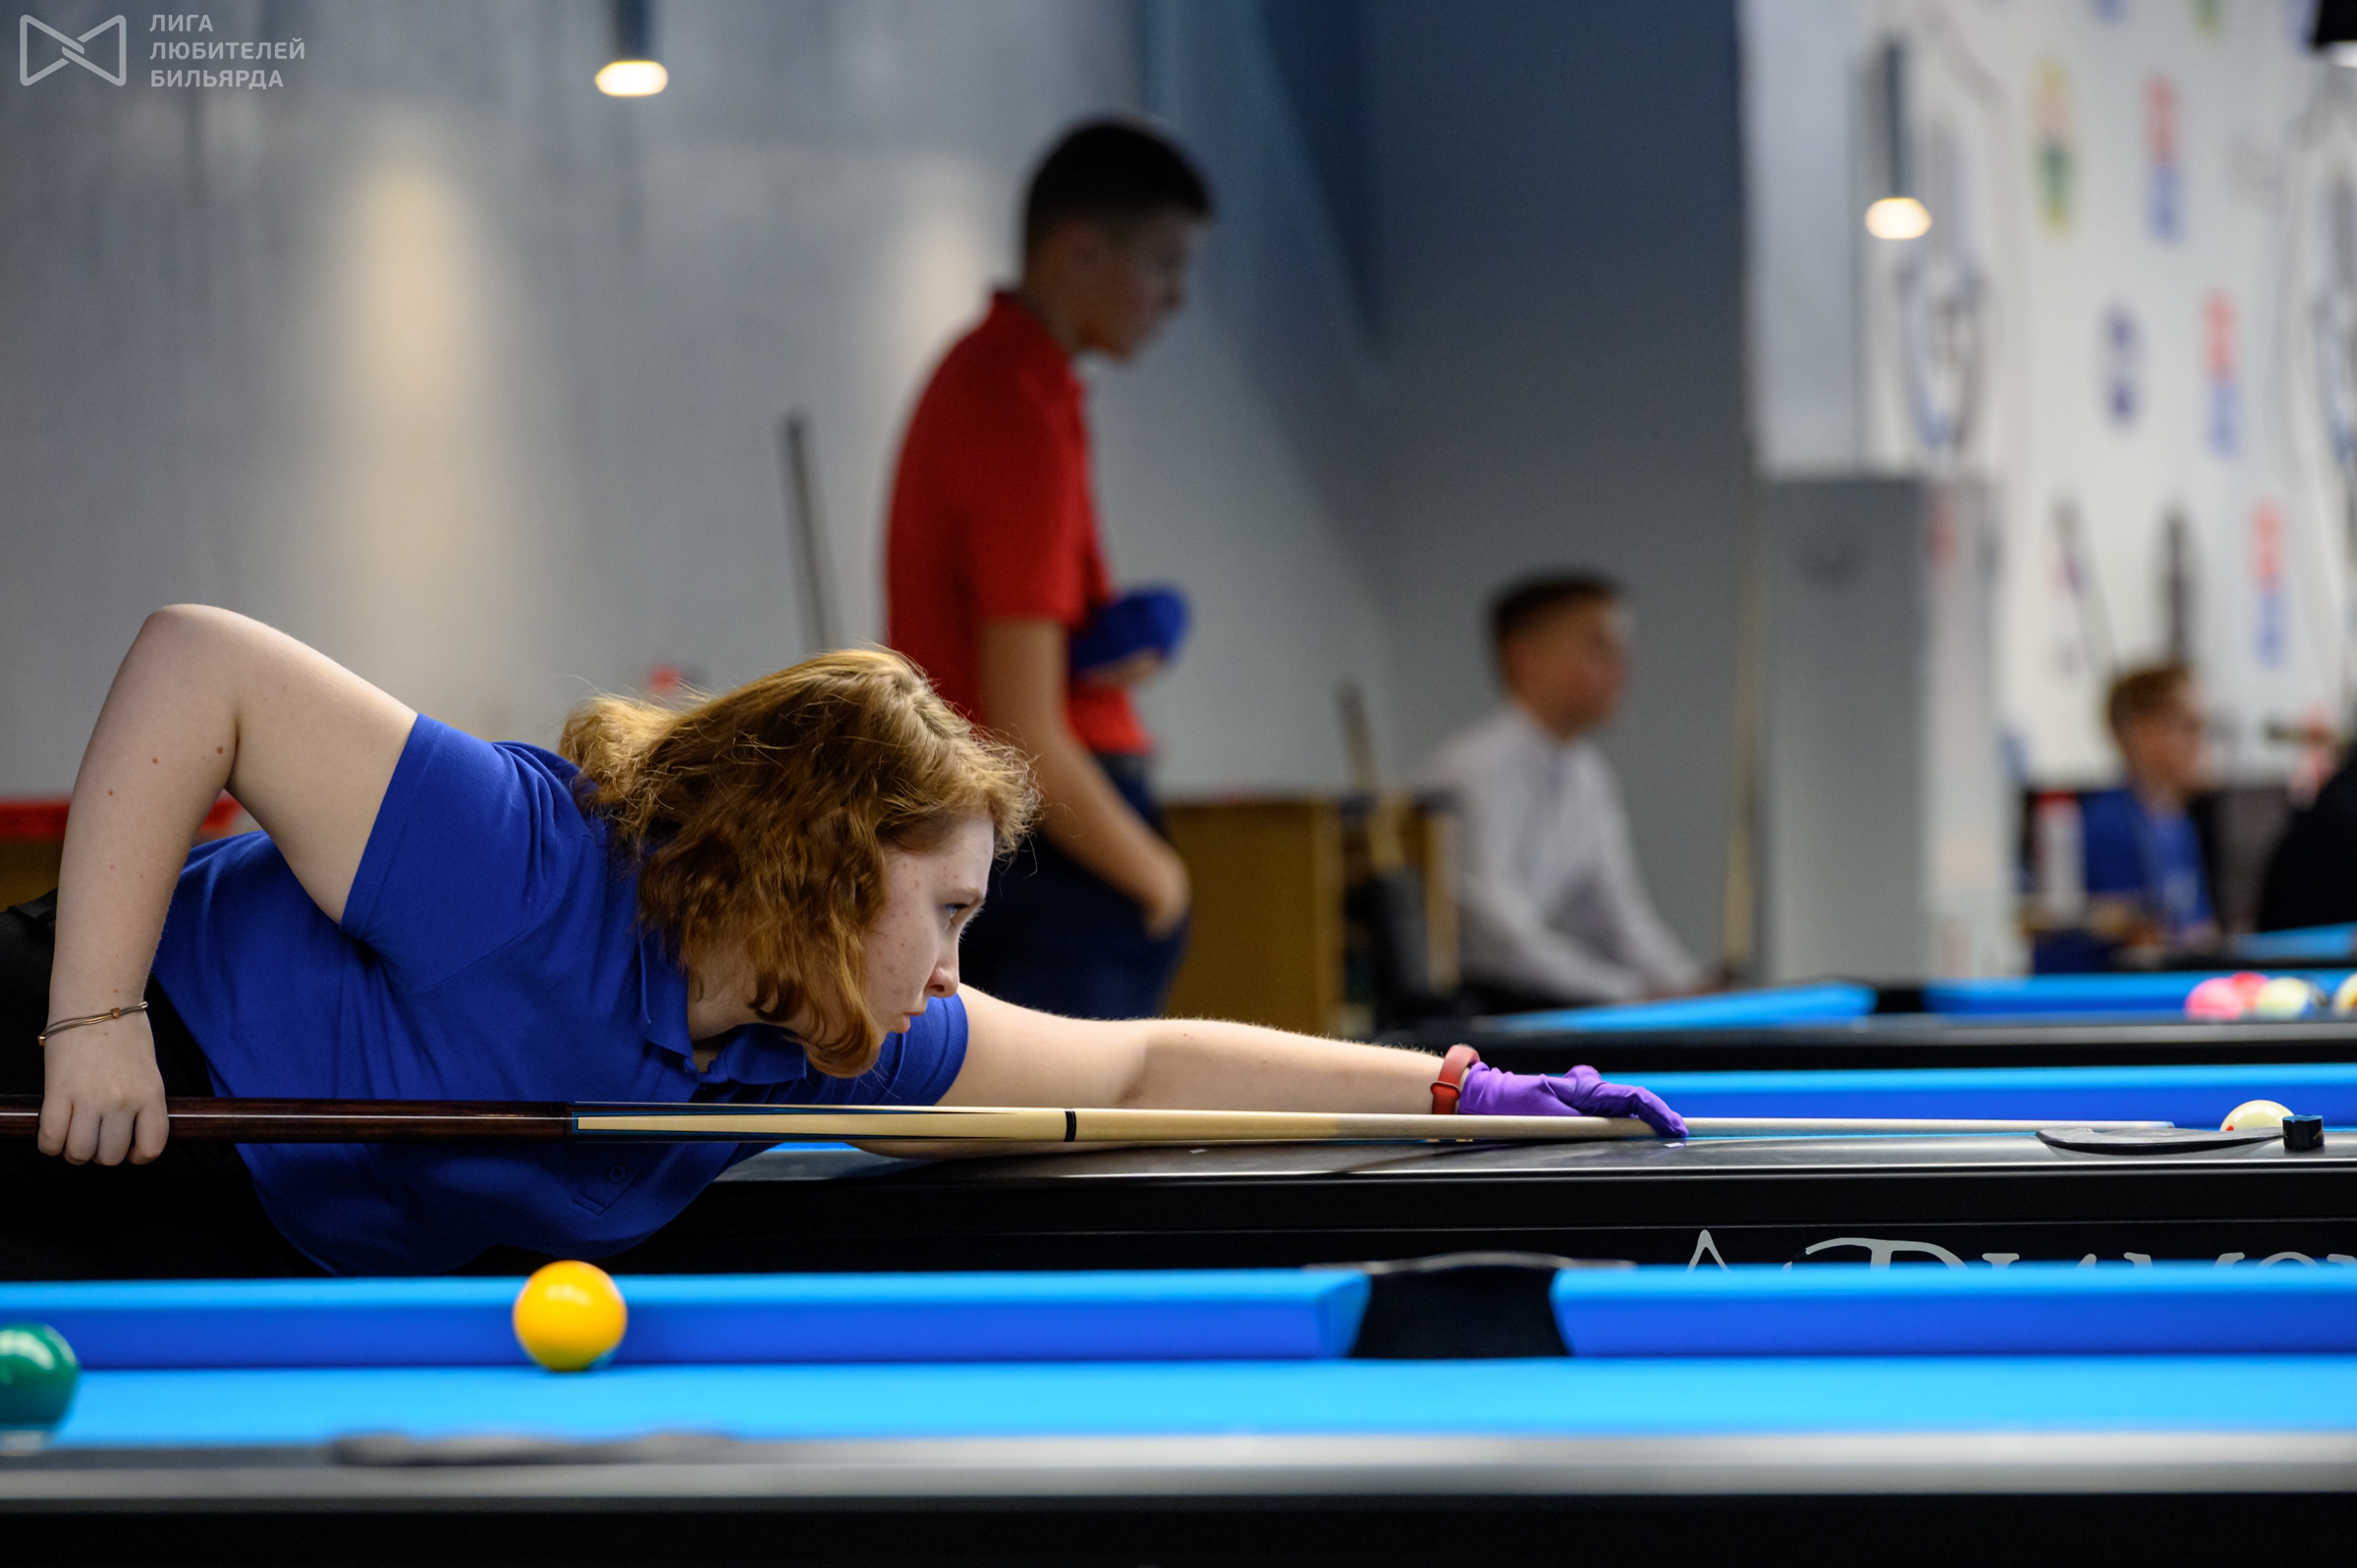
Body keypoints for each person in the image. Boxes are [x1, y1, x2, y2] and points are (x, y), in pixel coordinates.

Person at [2, 606, 1684, 1279]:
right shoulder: (522, 861)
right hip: (89, 1056)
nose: (954, 971)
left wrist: (1459, 1090)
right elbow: (200, 662)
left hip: (243, 1217)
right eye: (946, 912)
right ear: (820, 868)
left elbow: (1139, 1066)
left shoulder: (836, 1034)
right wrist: (91, 1020)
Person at [884, 118, 1206, 1021]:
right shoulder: (1012, 404)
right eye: (1165, 264)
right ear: (1079, 254)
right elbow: (1020, 726)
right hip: (1048, 856)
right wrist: (1157, 878)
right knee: (1076, 1111)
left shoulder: (1007, 381)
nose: (1177, 297)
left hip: (1016, 832)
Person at [1425, 575, 1704, 1013]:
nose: (1620, 670)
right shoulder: (1470, 772)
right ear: (1527, 658)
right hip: (1470, 1005)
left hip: (1532, 994)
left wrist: (1692, 986)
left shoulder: (1589, 776)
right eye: (1598, 648)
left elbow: (1617, 916)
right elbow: (1498, 938)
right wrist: (1630, 993)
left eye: (1622, 652)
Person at [2073, 663, 2216, 954]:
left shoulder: (2178, 825)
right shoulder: (2109, 828)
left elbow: (2199, 933)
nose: (2199, 743)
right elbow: (2138, 945)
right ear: (2143, 731)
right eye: (2188, 727)